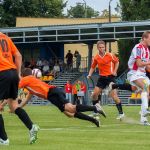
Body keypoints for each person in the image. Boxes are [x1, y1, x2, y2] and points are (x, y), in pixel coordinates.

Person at [18, 68, 107, 127]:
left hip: (52, 93)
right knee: (69, 114)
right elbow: (26, 100)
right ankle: (94, 120)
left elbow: (15, 86)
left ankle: (95, 107)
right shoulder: (31, 86)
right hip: (52, 95)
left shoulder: (27, 79)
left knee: (71, 108)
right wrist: (17, 109)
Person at [0, 32, 39, 145]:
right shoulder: (5, 37)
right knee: (13, 105)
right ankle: (31, 127)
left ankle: (4, 139)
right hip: (12, 72)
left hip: (2, 73)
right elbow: (18, 55)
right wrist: (17, 74)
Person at [87, 40, 124, 120]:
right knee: (94, 95)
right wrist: (89, 74)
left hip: (110, 78)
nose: (101, 49)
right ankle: (95, 112)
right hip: (102, 78)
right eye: (100, 47)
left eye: (103, 47)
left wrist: (114, 71)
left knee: (114, 96)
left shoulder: (110, 55)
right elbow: (93, 67)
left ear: (105, 47)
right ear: (97, 48)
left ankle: (121, 113)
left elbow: (117, 62)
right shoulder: (96, 57)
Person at [127, 31, 150, 125]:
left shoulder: (147, 50)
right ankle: (144, 111)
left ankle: (143, 119)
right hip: (134, 73)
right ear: (144, 38)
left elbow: (147, 67)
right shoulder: (138, 48)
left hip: (142, 75)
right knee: (145, 89)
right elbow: (139, 63)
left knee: (147, 94)